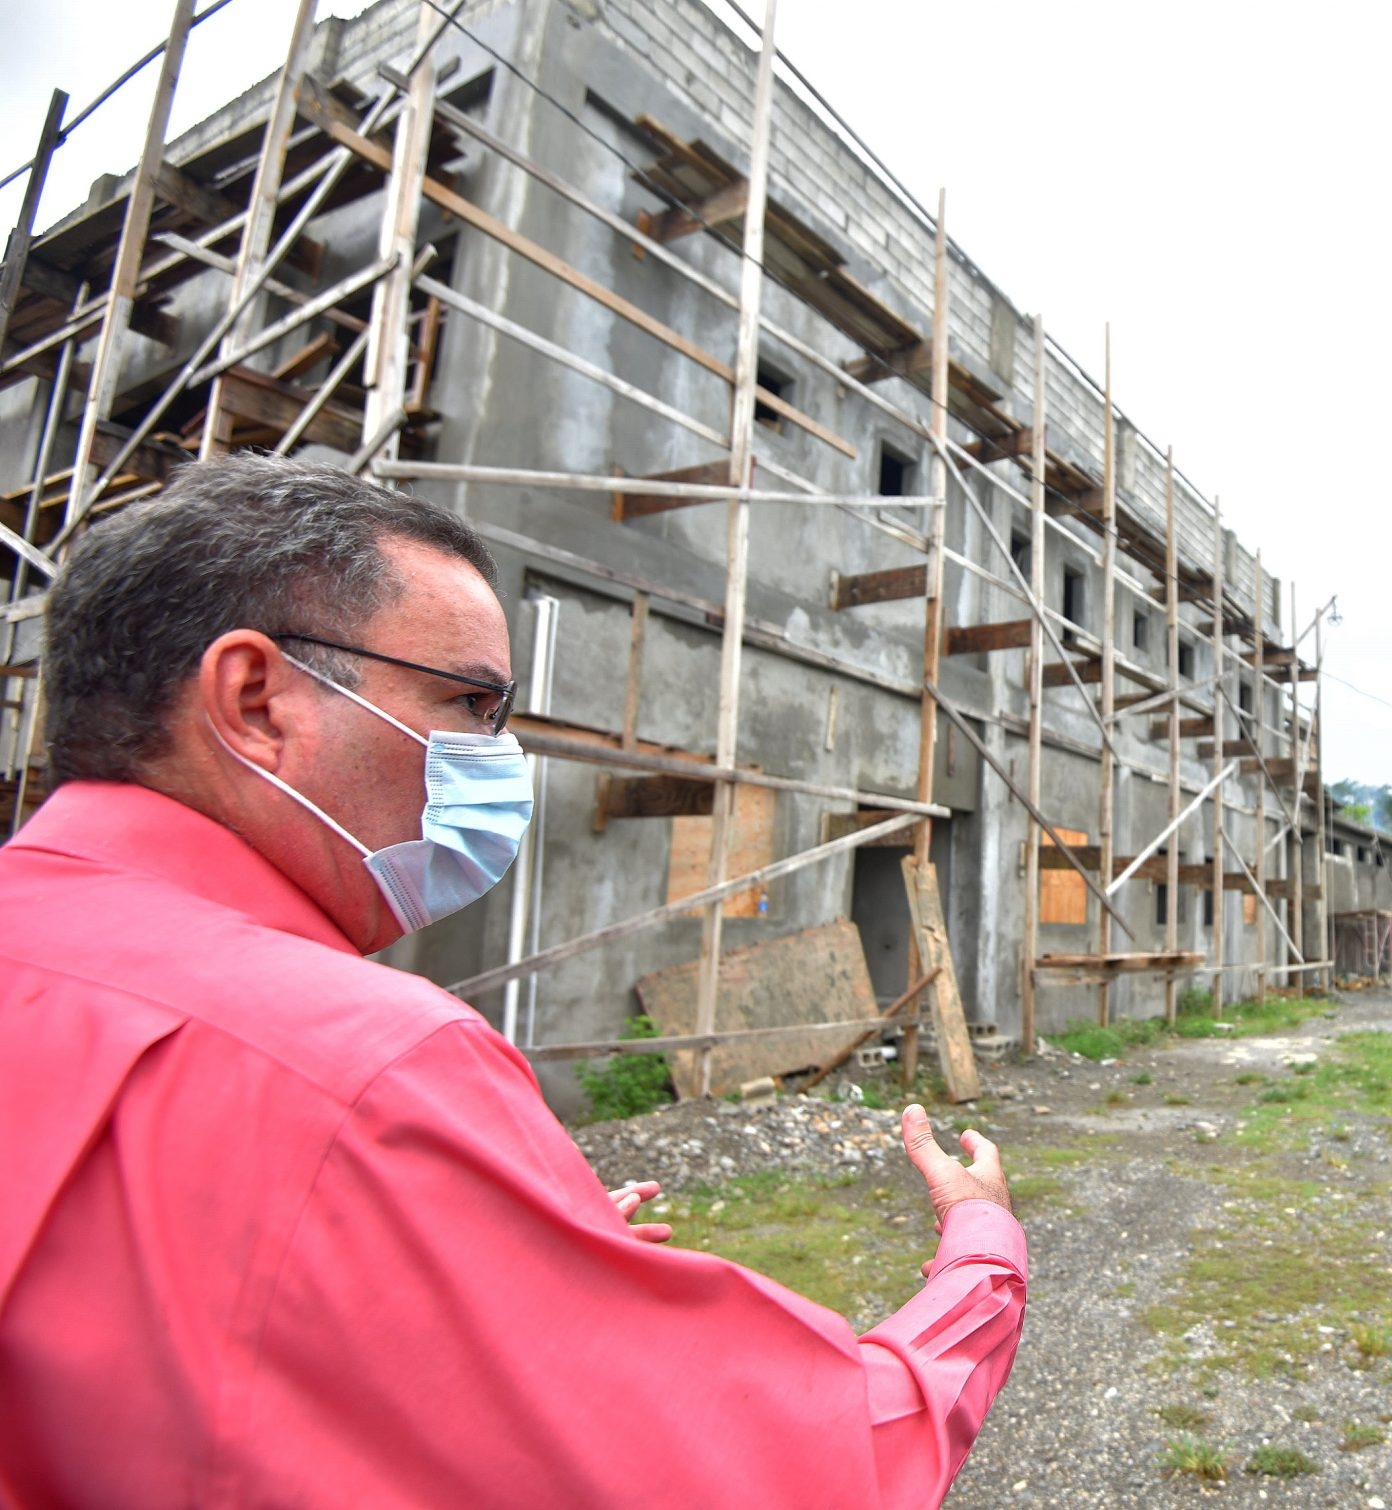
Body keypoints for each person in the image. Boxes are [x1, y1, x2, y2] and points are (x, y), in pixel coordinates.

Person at [0, 455, 1026, 1508]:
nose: (501, 754)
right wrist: (981, 1257)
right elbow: (802, 1471)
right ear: (257, 699)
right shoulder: (362, 1068)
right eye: (469, 702)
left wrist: (478, 1243)